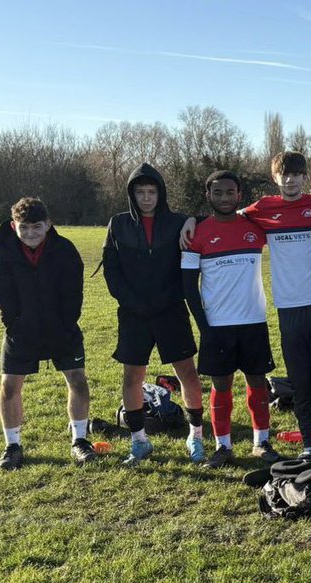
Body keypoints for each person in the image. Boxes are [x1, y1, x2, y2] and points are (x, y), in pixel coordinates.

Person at [240, 152, 311, 460]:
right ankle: (309, 445)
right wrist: (191, 224)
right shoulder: (262, 208)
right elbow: (229, 216)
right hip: (288, 308)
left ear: (305, 177)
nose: (290, 180)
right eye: (284, 174)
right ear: (275, 177)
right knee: (300, 380)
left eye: (296, 174)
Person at [103, 163, 205, 466]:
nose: (146, 198)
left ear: (161, 193)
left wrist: (192, 219)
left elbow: (217, 218)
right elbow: (112, 271)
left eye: (152, 192)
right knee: (133, 376)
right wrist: (132, 302)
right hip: (134, 313)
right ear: (132, 194)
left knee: (187, 372)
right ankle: (139, 442)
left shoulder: (176, 222)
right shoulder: (118, 224)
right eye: (140, 192)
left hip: (170, 310)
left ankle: (196, 436)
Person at [181, 171, 279, 468]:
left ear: (239, 195)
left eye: (230, 192)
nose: (224, 197)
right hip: (216, 324)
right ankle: (223, 446)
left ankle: (261, 442)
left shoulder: (255, 227)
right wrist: (203, 326)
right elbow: (188, 286)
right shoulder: (195, 232)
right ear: (208, 195)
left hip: (252, 320)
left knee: (257, 381)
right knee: (221, 385)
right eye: (218, 192)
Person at [0, 198, 92, 469]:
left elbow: (74, 293)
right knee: (9, 385)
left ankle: (80, 440)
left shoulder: (65, 250)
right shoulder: (4, 249)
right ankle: (12, 445)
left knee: (77, 379)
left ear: (48, 224)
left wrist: (66, 324)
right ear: (14, 226)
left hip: (61, 328)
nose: (30, 233)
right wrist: (12, 323)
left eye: (37, 226)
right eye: (24, 227)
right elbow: (1, 290)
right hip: (21, 329)